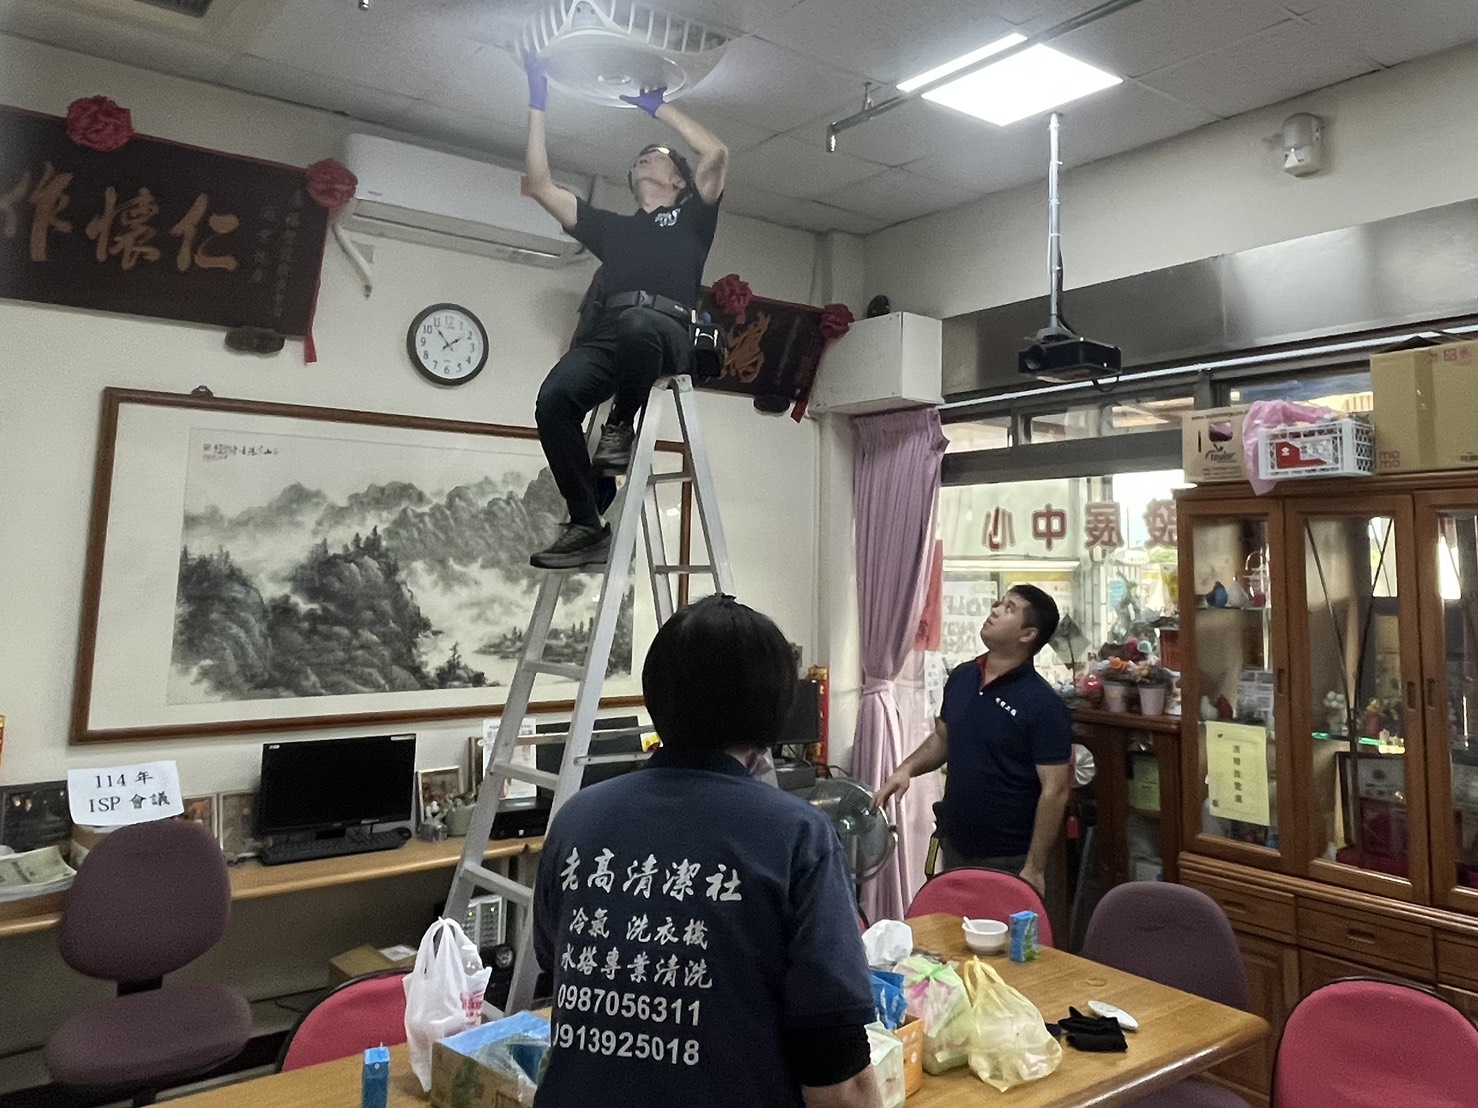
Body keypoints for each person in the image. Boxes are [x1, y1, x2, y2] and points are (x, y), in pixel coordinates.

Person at [533, 595, 881, 1108]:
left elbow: (556, 960)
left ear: (656, 695)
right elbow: (837, 1075)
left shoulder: (577, 819)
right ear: (773, 708)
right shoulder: (796, 834)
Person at [521, 54, 730, 570]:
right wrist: (538, 102)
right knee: (553, 401)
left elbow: (716, 152)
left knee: (640, 324)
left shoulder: (692, 218)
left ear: (678, 181)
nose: (642, 161)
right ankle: (586, 523)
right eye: (637, 159)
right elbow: (540, 184)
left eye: (653, 157)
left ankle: (621, 423)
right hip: (611, 337)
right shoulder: (613, 228)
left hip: (669, 336)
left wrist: (658, 107)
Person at [874, 585, 1072, 900]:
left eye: (1009, 608)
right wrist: (906, 770)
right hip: (956, 846)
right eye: (1000, 603)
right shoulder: (963, 677)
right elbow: (943, 738)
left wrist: (1035, 866)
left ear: (1028, 634)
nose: (995, 610)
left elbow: (1055, 790)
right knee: (952, 930)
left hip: (1011, 859)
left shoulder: (1043, 704)